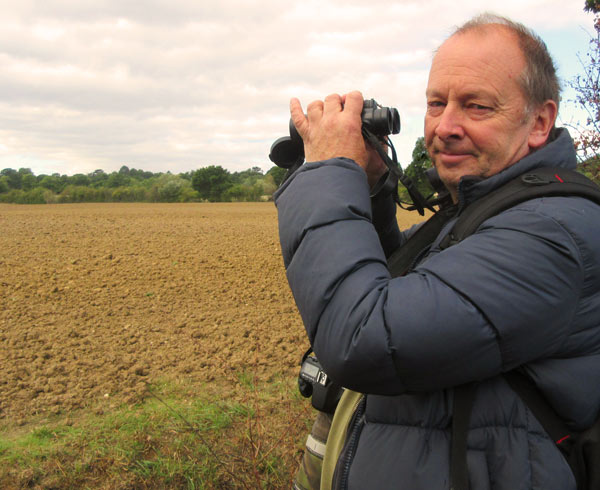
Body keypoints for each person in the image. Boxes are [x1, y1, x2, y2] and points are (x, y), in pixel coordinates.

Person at [274, 13, 600, 490]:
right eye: (436, 102)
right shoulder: (483, 209)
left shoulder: (553, 232)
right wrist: (371, 187)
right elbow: (397, 281)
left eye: (476, 106)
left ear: (539, 122)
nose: (445, 126)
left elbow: (365, 336)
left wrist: (328, 168)